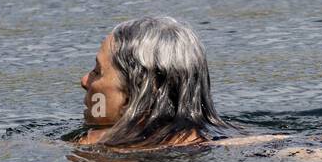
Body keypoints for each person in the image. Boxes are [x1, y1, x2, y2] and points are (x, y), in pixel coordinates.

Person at [76, 16, 229, 149]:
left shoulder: (94, 145)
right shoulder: (227, 140)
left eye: (97, 72)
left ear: (134, 95)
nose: (84, 81)